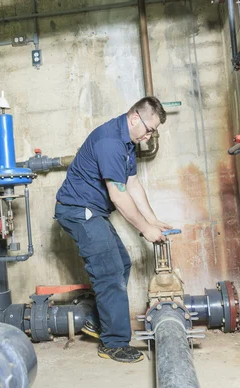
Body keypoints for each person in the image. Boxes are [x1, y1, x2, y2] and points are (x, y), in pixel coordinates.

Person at [54, 96, 172, 363]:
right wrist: (145, 230)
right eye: (149, 129)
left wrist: (152, 220)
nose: (150, 135)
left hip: (92, 211)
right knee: (109, 271)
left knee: (121, 263)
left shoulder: (128, 142)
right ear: (134, 118)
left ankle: (102, 322)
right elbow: (118, 197)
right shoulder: (110, 142)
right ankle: (114, 343)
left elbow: (131, 184)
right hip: (78, 210)